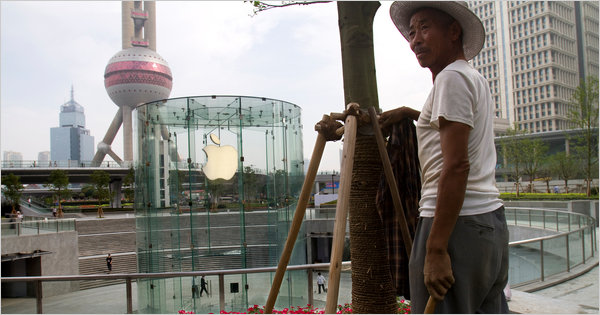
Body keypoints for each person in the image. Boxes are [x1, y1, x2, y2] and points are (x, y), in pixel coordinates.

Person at [382, 2, 509, 313]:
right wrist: (409, 113)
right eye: (411, 33)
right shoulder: (470, 77)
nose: (415, 40)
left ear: (454, 31)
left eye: (425, 28)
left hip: (455, 226)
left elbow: (456, 165)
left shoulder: (450, 78)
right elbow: (446, 128)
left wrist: (436, 248)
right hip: (488, 222)